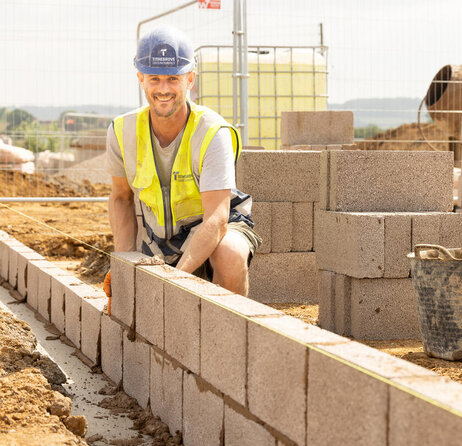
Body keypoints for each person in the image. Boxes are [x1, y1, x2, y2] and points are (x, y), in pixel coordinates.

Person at [104, 24, 261, 302]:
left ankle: (230, 337)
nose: (163, 89)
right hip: (160, 239)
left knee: (230, 253)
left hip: (214, 228)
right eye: (154, 79)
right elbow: (120, 198)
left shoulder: (213, 133)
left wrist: (177, 280)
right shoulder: (122, 131)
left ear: (190, 79)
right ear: (140, 78)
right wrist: (124, 263)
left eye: (173, 79)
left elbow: (217, 218)